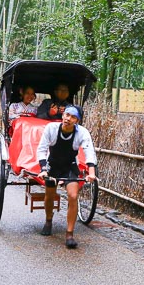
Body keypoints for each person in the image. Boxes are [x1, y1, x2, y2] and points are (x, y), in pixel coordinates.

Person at [36, 105, 97, 245]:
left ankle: (69, 234)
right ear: (63, 115)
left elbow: (89, 151)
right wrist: (43, 169)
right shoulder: (51, 128)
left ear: (77, 120)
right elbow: (42, 149)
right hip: (53, 165)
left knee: (73, 196)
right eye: (67, 115)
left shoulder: (82, 132)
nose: (68, 118)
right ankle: (48, 220)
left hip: (70, 165)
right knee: (50, 194)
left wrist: (91, 173)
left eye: (73, 117)